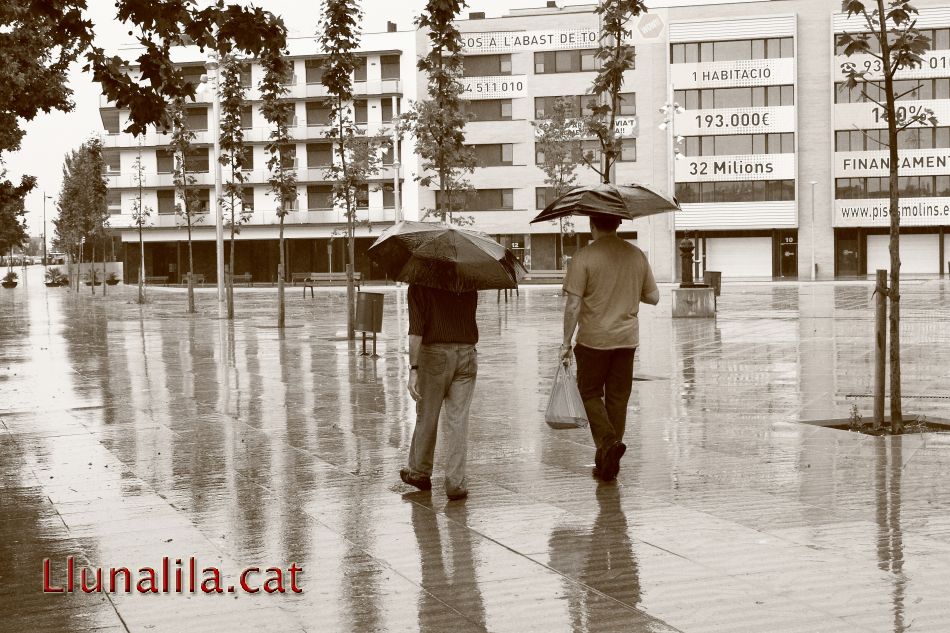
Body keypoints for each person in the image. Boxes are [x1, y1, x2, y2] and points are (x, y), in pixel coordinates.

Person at [560, 215, 659, 481]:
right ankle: (608, 463)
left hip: (593, 340)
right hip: (626, 341)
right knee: (618, 398)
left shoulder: (583, 258)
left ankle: (608, 441)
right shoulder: (637, 255)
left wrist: (565, 342)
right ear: (618, 224)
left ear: (592, 225)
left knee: (589, 393)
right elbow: (653, 296)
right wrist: (625, 288)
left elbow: (573, 305)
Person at [400, 283, 479, 500]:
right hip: (467, 354)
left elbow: (416, 331)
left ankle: (419, 472)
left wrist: (413, 369)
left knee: (427, 415)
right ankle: (456, 483)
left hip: (434, 356)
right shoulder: (467, 279)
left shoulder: (420, 284)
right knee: (458, 421)